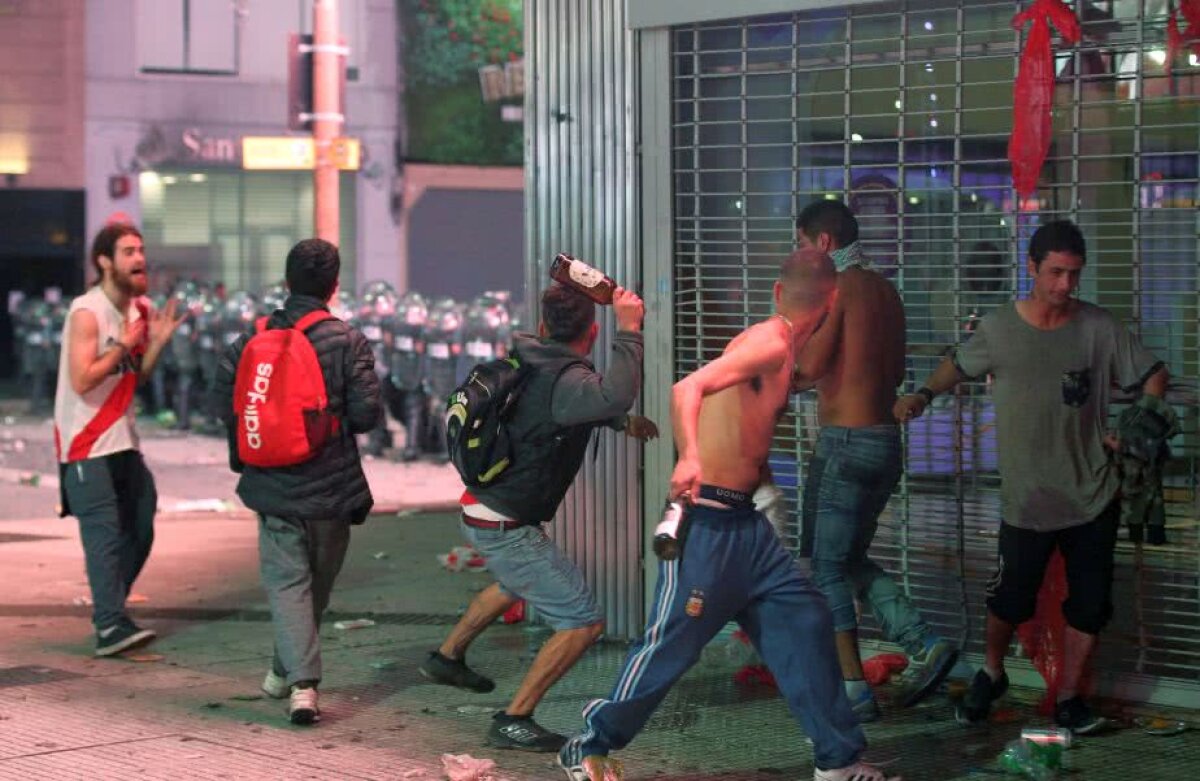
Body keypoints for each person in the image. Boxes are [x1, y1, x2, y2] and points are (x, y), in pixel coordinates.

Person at [559, 249, 900, 781]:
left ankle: (837, 761)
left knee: (807, 619)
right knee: (670, 645)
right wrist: (689, 457)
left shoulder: (783, 351)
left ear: (778, 291)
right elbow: (686, 388)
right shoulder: (771, 341)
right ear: (832, 301)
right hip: (706, 526)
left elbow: (753, 423)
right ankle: (587, 746)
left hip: (748, 527)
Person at [894, 220, 1169, 734]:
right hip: (1026, 499)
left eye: (1074, 274)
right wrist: (923, 395)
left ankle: (1069, 698)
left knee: (1089, 606)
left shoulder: (1098, 327)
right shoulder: (1000, 328)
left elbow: (1154, 374)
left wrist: (1140, 424)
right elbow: (958, 364)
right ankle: (992, 672)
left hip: (1092, 493)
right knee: (1009, 600)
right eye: (1056, 273)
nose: (1066, 284)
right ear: (1032, 268)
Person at [418, 281, 655, 752]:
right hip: (505, 524)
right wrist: (630, 330)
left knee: (515, 583)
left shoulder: (531, 358)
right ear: (592, 333)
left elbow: (560, 408)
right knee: (582, 621)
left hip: (482, 506)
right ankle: (514, 718)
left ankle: (446, 658)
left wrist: (617, 422)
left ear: (543, 326)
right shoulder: (567, 378)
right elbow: (612, 395)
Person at [792, 200, 958, 720]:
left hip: (846, 442)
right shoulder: (888, 290)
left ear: (823, 243)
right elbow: (888, 368)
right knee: (849, 559)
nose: (800, 255)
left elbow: (809, 368)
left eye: (802, 244)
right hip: (885, 441)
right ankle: (924, 641)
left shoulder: (839, 289)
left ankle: (852, 690)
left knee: (825, 566)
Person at [212, 238, 382, 725]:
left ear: (287, 282)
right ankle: (304, 688)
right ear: (334, 285)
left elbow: (223, 401)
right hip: (330, 488)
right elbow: (366, 415)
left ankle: (281, 671)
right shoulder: (348, 341)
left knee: (291, 589)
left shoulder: (252, 337)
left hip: (272, 484)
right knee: (313, 589)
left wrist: (252, 446)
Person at [54, 223, 185, 656]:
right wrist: (122, 346)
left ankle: (112, 609)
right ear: (105, 261)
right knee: (105, 534)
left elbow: (135, 377)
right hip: (85, 443)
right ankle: (109, 624)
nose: (139, 259)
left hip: (123, 439)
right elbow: (82, 380)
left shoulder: (140, 311)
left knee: (141, 523)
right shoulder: (87, 312)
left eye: (141, 250)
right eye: (128, 251)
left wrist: (155, 344)